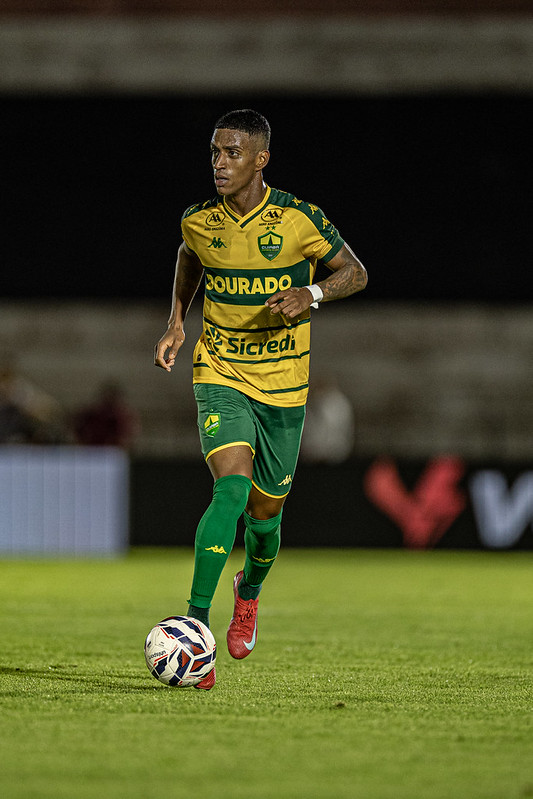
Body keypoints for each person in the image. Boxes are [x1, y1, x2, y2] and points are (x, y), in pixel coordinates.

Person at [154, 109, 367, 690]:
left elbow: (356, 272)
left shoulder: (298, 218)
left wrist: (313, 291)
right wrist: (177, 321)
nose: (220, 163)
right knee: (230, 488)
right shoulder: (199, 221)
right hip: (219, 369)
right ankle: (195, 632)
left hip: (285, 387)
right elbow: (188, 257)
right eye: (215, 152)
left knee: (266, 517)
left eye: (232, 153)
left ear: (260, 158)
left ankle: (247, 593)